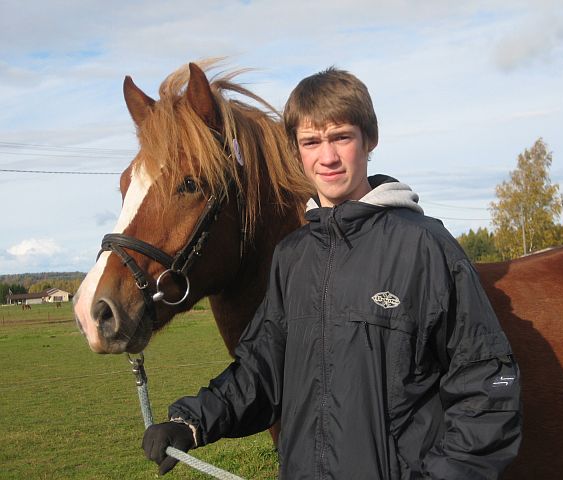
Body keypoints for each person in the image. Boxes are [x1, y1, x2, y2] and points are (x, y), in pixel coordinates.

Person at [143, 67, 522, 479]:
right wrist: (192, 421)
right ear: (296, 150)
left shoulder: (425, 247)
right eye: (311, 142)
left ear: (369, 139)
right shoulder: (292, 257)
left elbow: (488, 385)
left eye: (341, 137)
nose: (327, 157)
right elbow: (262, 370)